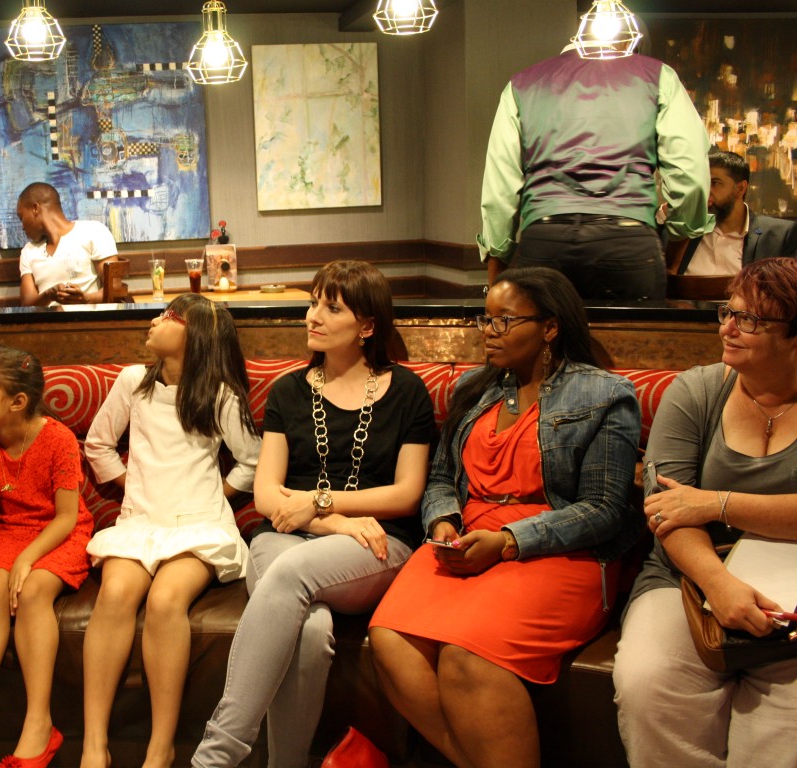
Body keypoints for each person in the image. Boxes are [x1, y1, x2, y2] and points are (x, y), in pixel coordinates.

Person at [369, 267, 643, 768]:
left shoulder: (604, 394)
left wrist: (510, 541)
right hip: (468, 541)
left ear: (550, 327)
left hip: (559, 550)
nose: (488, 332)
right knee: (390, 638)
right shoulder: (473, 389)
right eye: (485, 319)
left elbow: (603, 509)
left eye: (504, 321)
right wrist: (442, 522)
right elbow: (440, 478)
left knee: (468, 656)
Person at [192, 260, 436, 768]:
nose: (313, 316)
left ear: (367, 326)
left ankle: (215, 757)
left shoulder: (406, 392)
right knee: (307, 629)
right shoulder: (289, 390)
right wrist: (335, 519)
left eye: (331, 307)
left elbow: (407, 494)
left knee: (289, 573)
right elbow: (267, 496)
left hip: (376, 542)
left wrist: (319, 502)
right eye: (313, 303)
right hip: (289, 534)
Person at [614, 258, 797, 768]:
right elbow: (665, 509)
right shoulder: (696, 391)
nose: (727, 329)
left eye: (751, 320)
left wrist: (716, 503)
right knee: (646, 682)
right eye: (727, 312)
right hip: (687, 574)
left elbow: (692, 502)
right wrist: (719, 583)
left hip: (790, 581)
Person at [80, 293, 261, 768]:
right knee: (114, 595)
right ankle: (94, 744)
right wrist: (134, 486)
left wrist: (219, 494)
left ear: (195, 335)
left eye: (170, 316)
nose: (156, 320)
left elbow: (253, 459)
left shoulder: (219, 395)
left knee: (164, 601)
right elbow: (98, 444)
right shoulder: (132, 382)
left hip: (198, 525)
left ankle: (160, 748)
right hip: (141, 521)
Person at [0, 344, 93, 768]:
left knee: (32, 591)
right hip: (9, 530)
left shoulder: (58, 439)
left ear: (17, 401)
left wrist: (27, 559)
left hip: (57, 532)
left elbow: (66, 517)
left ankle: (39, 721)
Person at [478, 43, 711, 300]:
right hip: (629, 243)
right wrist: (673, 259)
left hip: (545, 241)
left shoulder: (521, 84)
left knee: (548, 326)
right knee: (634, 328)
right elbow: (690, 181)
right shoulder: (659, 76)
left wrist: (495, 285)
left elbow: (499, 192)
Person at [670, 151, 797, 276]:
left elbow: (785, 286)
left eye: (714, 183)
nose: (705, 191)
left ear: (740, 189)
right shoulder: (685, 230)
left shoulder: (780, 235)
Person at [17, 182, 118, 306]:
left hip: (89, 316)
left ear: (35, 208)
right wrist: (49, 295)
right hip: (46, 318)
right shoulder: (28, 252)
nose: (22, 226)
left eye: (21, 217)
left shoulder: (93, 231)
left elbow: (115, 289)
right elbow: (27, 304)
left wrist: (85, 299)